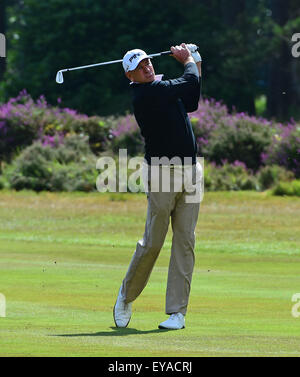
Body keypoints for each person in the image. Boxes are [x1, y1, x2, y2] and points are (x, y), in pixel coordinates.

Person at [113, 43, 202, 330]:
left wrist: (195, 59)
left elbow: (192, 98)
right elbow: (189, 81)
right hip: (162, 172)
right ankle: (126, 295)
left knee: (185, 241)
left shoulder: (162, 88)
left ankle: (177, 312)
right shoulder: (146, 94)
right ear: (130, 76)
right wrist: (187, 59)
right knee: (154, 241)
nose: (147, 66)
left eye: (148, 62)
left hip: (191, 170)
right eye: (139, 67)